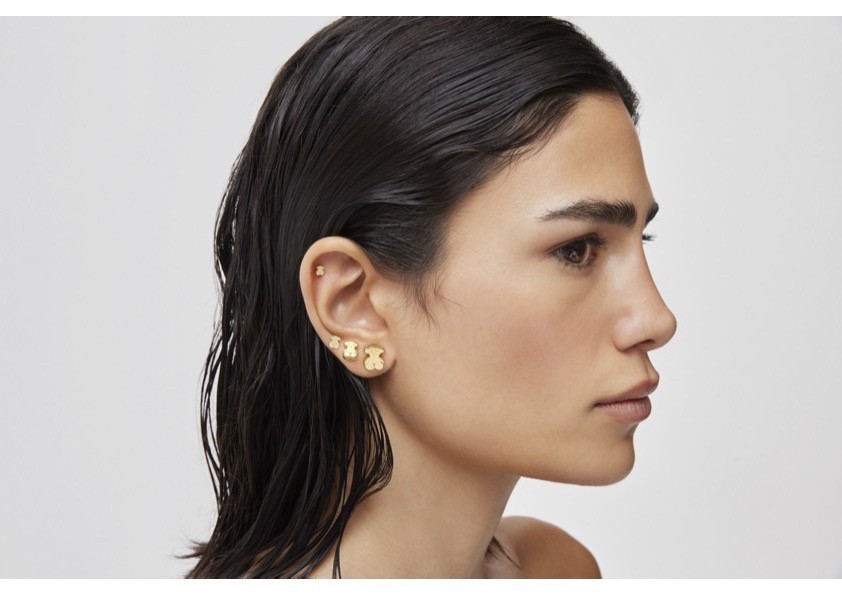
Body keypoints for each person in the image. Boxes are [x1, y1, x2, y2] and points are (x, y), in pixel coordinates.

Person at [180, 16, 677, 579]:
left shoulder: (557, 569)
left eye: (641, 239)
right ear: (354, 306)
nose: (656, 319)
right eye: (576, 250)